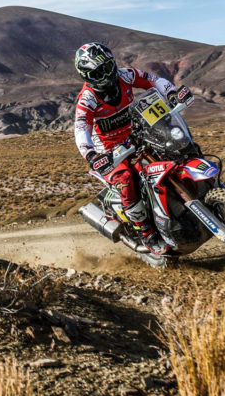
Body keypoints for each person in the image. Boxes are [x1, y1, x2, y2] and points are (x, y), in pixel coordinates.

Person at [73, 42, 177, 254]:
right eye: (100, 71)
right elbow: (81, 128)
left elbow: (154, 81)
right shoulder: (87, 99)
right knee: (126, 180)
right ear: (88, 75)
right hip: (109, 152)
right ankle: (147, 233)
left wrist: (172, 93)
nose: (108, 73)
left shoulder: (126, 75)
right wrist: (91, 154)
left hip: (138, 134)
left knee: (174, 148)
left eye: (109, 65)